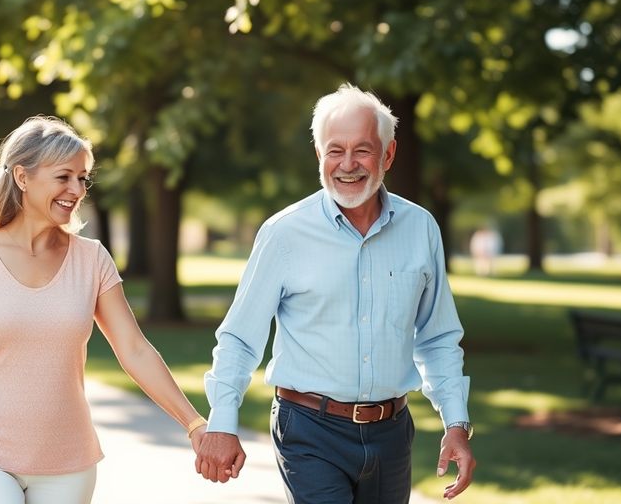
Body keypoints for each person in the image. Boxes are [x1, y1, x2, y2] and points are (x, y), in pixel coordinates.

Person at [0, 116, 208, 504]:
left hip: (67, 461)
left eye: (83, 179)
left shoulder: (92, 260)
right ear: (23, 178)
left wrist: (194, 424)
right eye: (64, 177)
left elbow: (134, 349)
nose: (77, 190)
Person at [196, 84, 476, 502]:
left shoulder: (421, 229)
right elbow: (240, 336)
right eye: (334, 150)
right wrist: (221, 421)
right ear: (318, 155)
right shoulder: (284, 233)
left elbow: (436, 337)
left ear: (388, 154)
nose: (348, 165)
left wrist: (456, 422)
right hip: (309, 430)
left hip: (392, 434)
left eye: (362, 150)